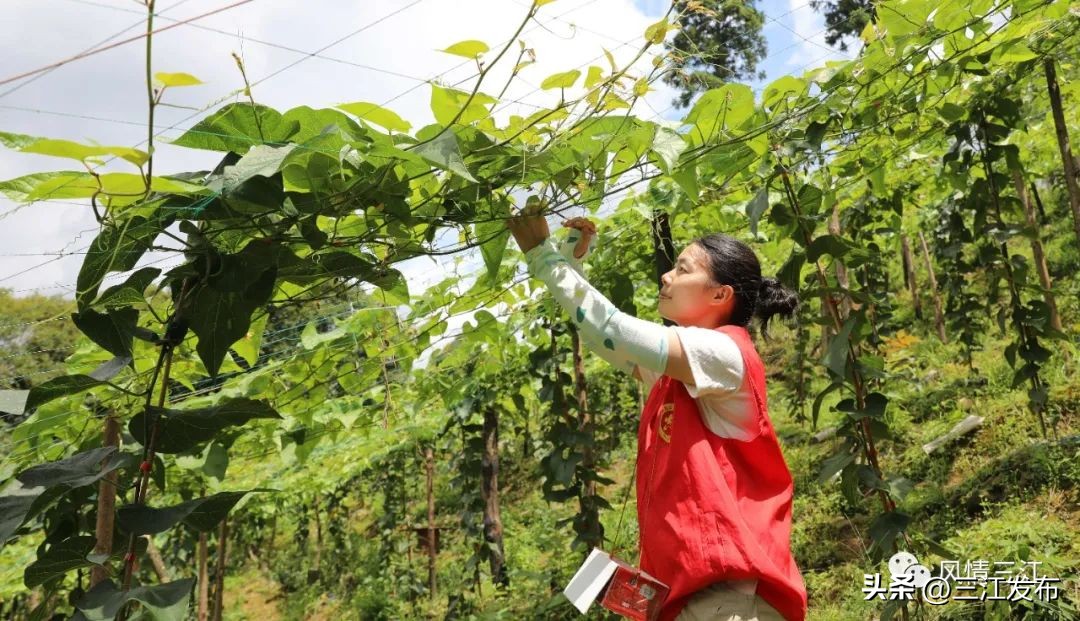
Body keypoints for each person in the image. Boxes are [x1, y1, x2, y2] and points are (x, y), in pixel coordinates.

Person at [507, 208, 808, 621]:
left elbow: (614, 328)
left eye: (682, 269)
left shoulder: (724, 354)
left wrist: (544, 256)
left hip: (732, 601)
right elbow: (601, 335)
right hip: (695, 599)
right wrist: (569, 261)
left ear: (720, 295)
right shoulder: (676, 373)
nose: (666, 276)